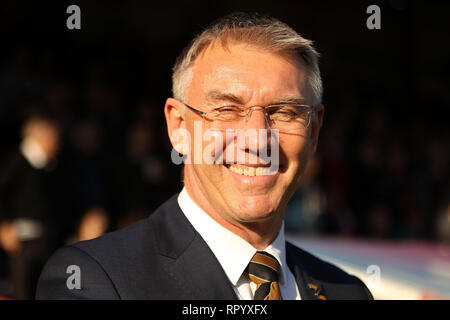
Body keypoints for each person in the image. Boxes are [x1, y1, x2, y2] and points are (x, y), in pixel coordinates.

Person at [36, 12, 373, 300]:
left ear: (313, 131)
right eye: (227, 109)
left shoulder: (348, 292)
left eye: (284, 112)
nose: (257, 139)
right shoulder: (94, 280)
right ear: (178, 126)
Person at [0, 115, 61, 299]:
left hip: (45, 239)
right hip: (21, 241)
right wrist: (3, 225)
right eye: (53, 138)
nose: (57, 143)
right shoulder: (15, 162)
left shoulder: (49, 168)